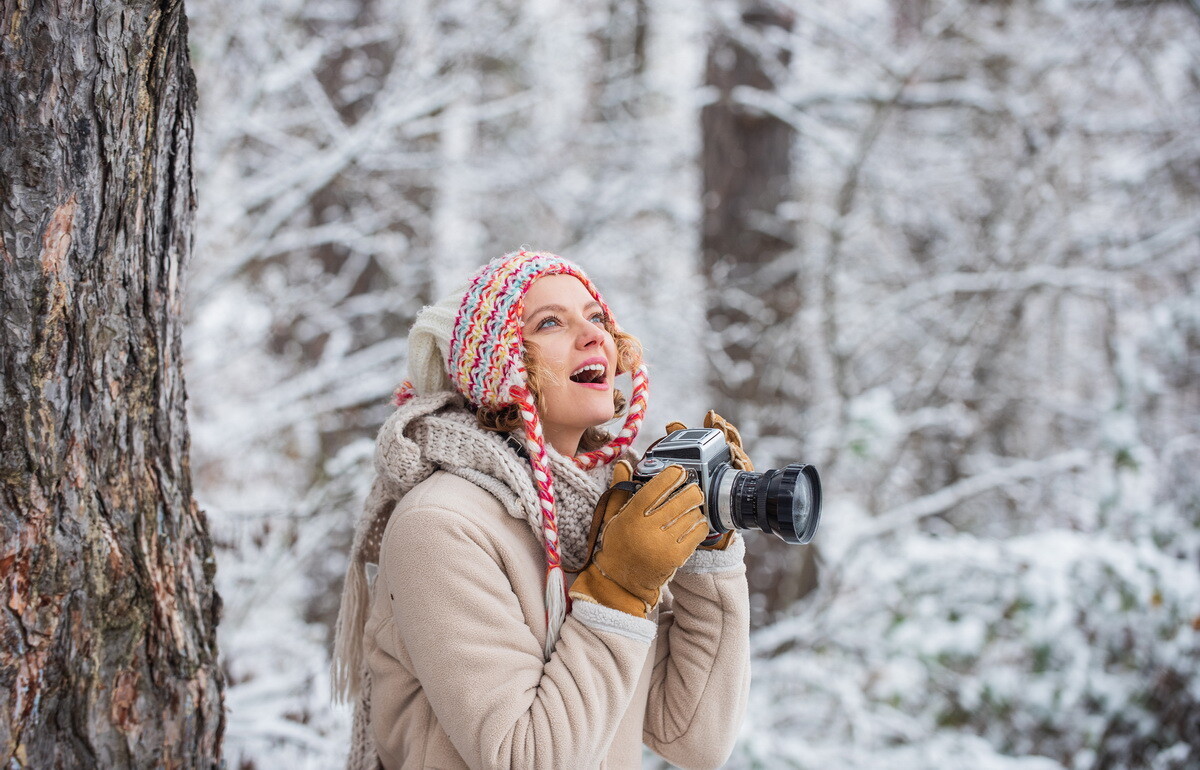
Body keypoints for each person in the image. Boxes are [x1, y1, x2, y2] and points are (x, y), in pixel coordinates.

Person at [333, 250, 751, 769]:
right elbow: (525, 759)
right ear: (499, 366)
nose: (593, 334)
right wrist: (617, 588)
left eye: (596, 317)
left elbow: (692, 737)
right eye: (550, 322)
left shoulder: (609, 510)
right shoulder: (442, 525)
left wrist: (710, 552)